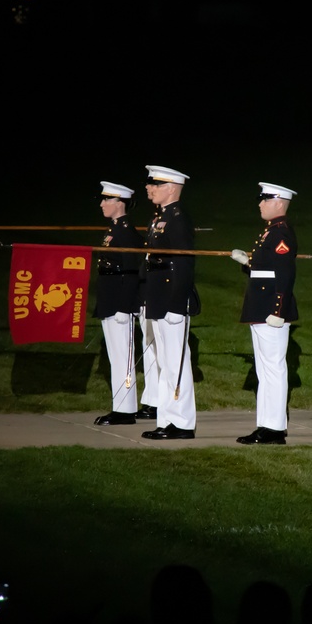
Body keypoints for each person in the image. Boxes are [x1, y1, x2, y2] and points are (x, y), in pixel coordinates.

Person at [230, 182, 299, 445]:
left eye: (265, 200)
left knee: (273, 369)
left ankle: (274, 428)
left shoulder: (281, 232)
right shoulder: (270, 232)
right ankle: (266, 425)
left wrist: (278, 310)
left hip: (271, 310)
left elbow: (285, 274)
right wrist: (247, 264)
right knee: (265, 370)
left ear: (279, 203)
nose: (260, 204)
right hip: (261, 307)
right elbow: (266, 271)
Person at [139, 165, 200, 440]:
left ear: (172, 188)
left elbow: (184, 264)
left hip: (171, 298)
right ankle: (166, 419)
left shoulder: (178, 218)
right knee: (165, 361)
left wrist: (178, 302)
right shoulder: (161, 217)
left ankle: (182, 423)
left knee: (176, 361)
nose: (149, 188)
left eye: (156, 184)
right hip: (158, 296)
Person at [92, 181, 144, 426]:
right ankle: (121, 405)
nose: (102, 204)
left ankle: (125, 410)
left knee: (123, 356)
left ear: (120, 203)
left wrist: (125, 306)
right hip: (109, 299)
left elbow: (132, 272)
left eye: (107, 200)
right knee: (116, 355)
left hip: (119, 303)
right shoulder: (114, 229)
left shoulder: (126, 233)